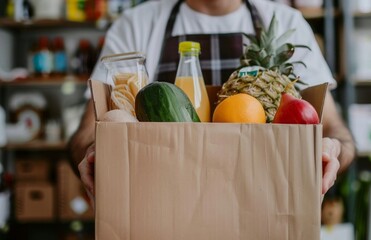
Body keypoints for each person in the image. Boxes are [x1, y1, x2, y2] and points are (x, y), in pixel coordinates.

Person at [69, 0, 356, 207]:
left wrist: (334, 149)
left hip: (264, 205)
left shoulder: (287, 22)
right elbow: (85, 134)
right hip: (164, 205)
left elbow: (335, 130)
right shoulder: (136, 25)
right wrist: (97, 151)